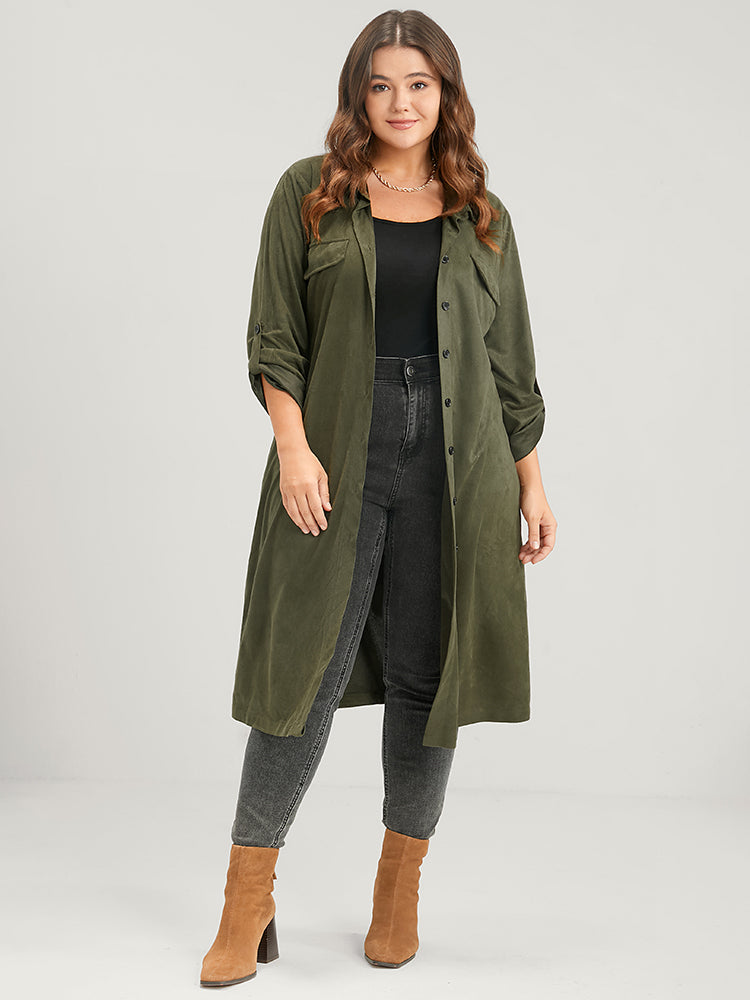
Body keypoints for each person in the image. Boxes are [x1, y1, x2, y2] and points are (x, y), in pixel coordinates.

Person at [200, 8, 557, 988]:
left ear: (447, 95)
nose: (401, 102)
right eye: (381, 84)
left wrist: (531, 482)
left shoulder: (482, 214)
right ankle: (246, 902)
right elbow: (275, 334)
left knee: (426, 678)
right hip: (336, 455)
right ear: (359, 95)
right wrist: (294, 449)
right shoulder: (309, 193)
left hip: (459, 467)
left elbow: (510, 363)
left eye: (419, 84)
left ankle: (398, 891)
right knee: (300, 676)